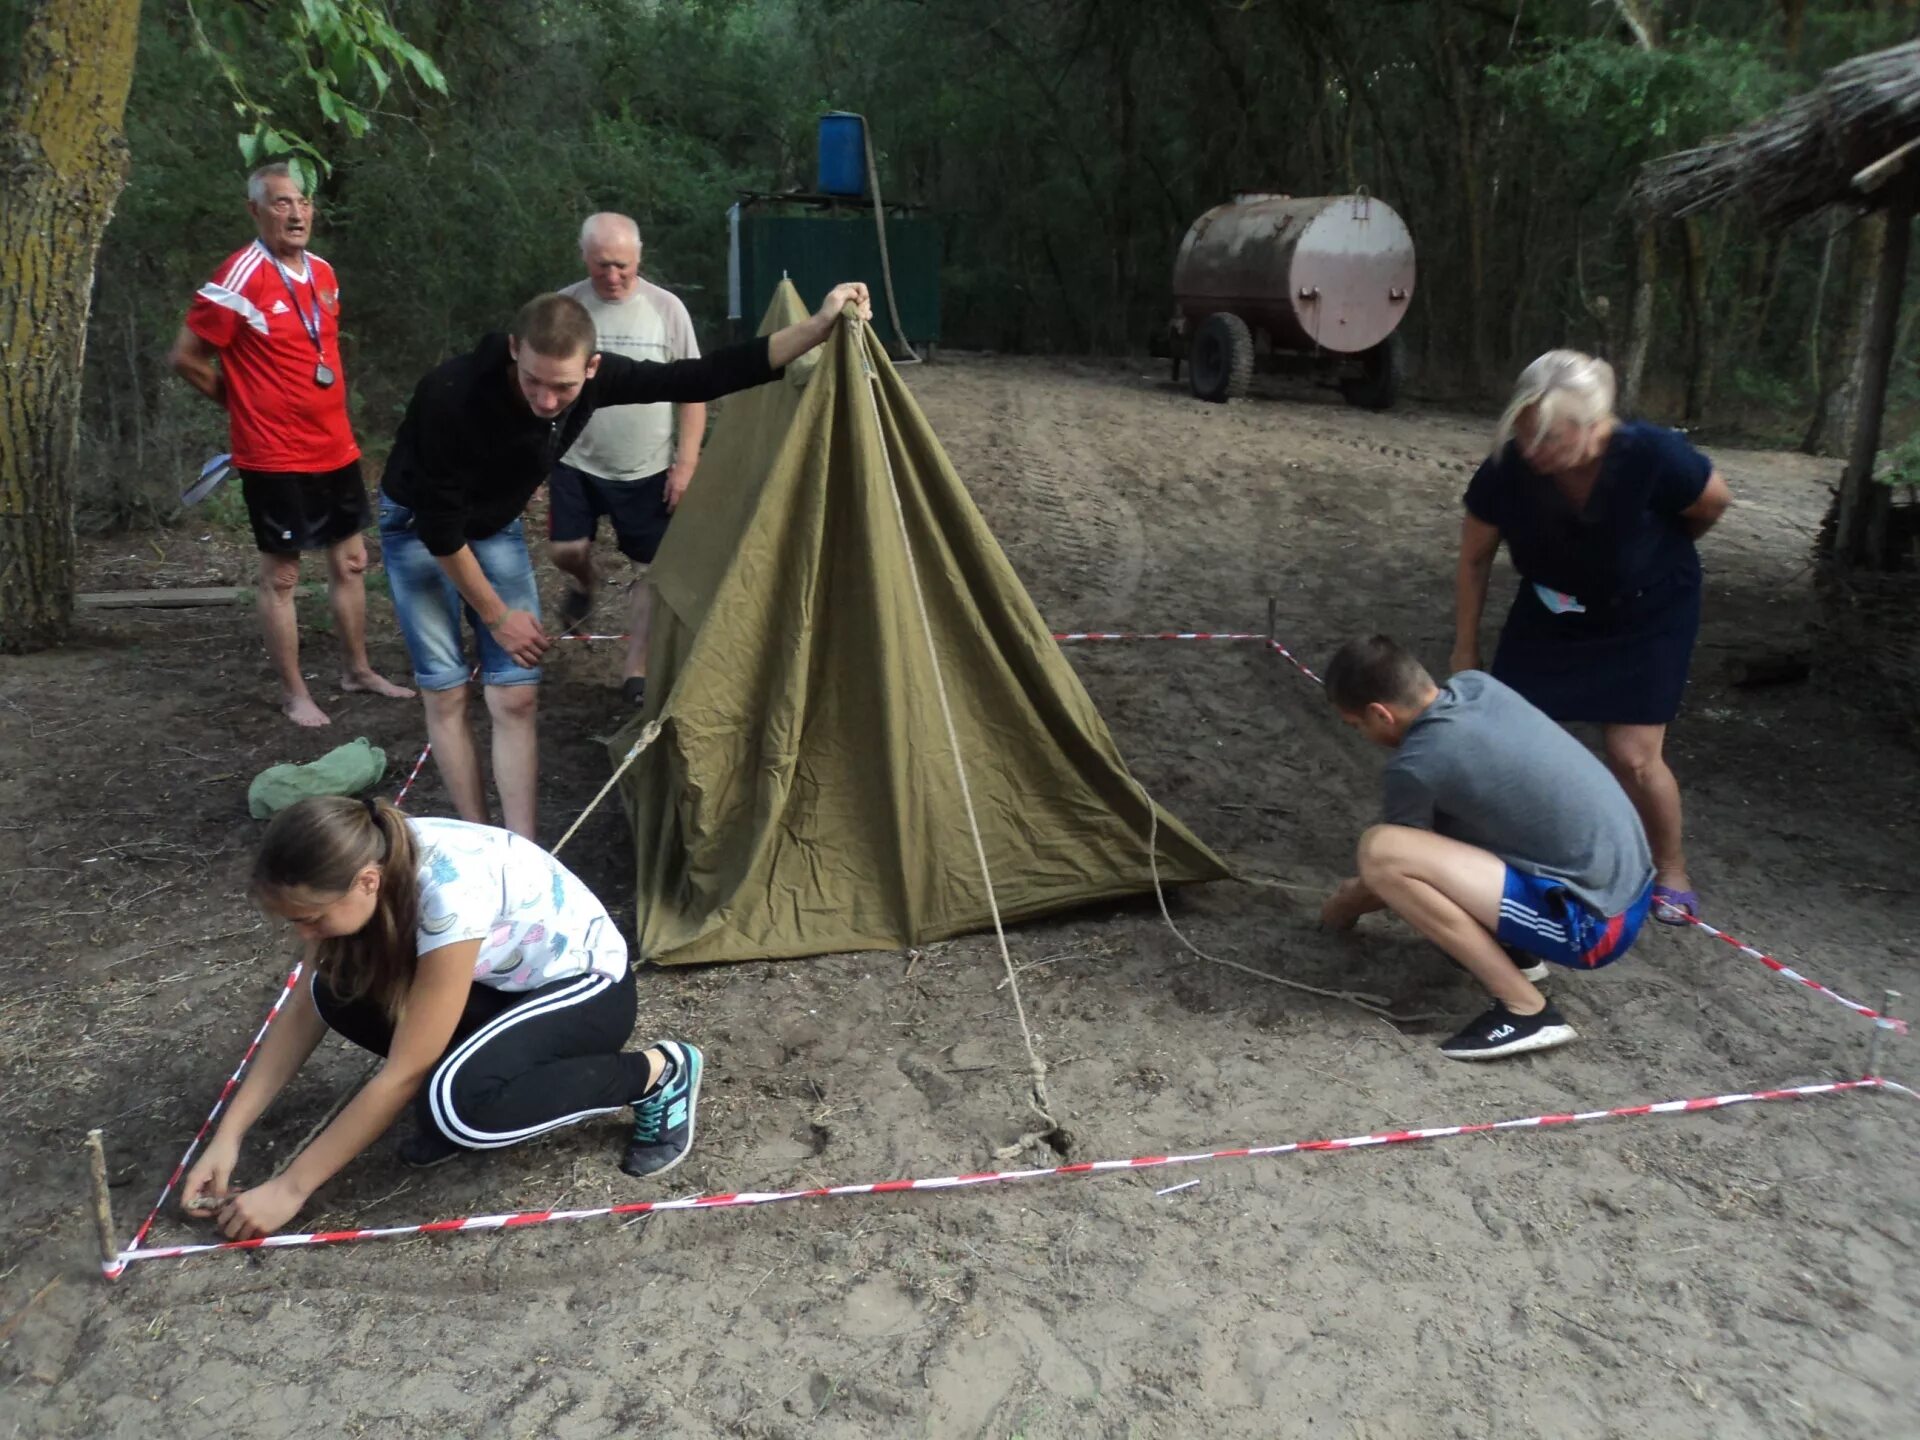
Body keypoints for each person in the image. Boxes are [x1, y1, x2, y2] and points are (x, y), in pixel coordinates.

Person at [376, 280, 872, 839]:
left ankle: (522, 849)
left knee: (515, 695)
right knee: (446, 690)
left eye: (561, 387)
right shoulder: (452, 396)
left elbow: (698, 376)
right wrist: (497, 617)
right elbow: (441, 532)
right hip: (417, 525)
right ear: (515, 349)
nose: (545, 401)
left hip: (491, 524)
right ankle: (480, 840)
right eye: (533, 381)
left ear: (591, 368)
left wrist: (817, 327)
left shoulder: (596, 381)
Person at [181, 795, 702, 1240]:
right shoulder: (364, 860)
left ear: (366, 882)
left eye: (311, 919)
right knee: (332, 989)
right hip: (499, 985)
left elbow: (404, 1070)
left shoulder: (448, 896)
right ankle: (468, 1079)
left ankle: (659, 1074)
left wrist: (290, 1190)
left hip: (588, 990)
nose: (304, 934)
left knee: (461, 1108)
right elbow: (302, 1010)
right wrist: (229, 1134)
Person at [1451, 350, 1732, 924]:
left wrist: (1652, 554)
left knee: (1633, 756)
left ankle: (1670, 868)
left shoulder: (1652, 455)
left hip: (1648, 612)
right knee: (1511, 740)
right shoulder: (1508, 468)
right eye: (1526, 433)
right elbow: (1475, 559)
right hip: (1551, 613)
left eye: (1551, 438)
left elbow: (1710, 505)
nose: (1534, 450)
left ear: (1596, 427)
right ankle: (1516, 856)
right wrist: (1465, 646)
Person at [1319, 635, 1655, 1061]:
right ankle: (1517, 950)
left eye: (1356, 726)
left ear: (1379, 713)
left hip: (1596, 926)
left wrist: (1341, 908)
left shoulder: (1418, 764)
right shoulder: (1479, 687)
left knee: (1383, 851)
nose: (1362, 735)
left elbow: (1390, 874)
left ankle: (1527, 1009)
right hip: (1630, 883)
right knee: (1449, 830)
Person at [168, 163, 414, 728]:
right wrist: (241, 405)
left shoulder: (324, 273)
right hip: (274, 455)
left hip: (335, 448)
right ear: (255, 211)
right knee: (282, 577)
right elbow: (185, 357)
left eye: (302, 202)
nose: (296, 213)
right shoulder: (238, 277)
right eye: (281, 203)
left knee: (351, 562)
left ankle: (357, 670)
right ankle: (295, 693)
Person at [548, 213, 705, 707]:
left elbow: (694, 391)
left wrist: (687, 462)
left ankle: (635, 670)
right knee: (564, 550)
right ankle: (584, 582)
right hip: (575, 457)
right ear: (584, 259)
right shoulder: (566, 307)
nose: (612, 278)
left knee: (650, 570)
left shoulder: (667, 310)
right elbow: (541, 382)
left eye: (622, 267)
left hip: (647, 467)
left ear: (639, 259)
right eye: (601, 267)